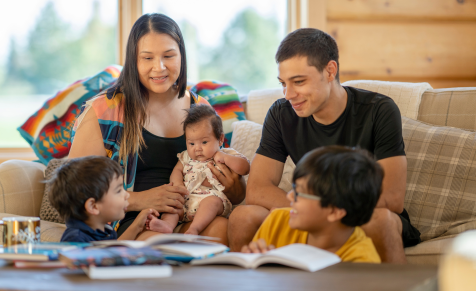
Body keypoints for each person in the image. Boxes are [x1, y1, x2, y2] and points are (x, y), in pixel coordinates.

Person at [228, 28, 420, 263]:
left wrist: (324, 211)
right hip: (309, 211)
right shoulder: (281, 114)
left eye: (298, 82)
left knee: (380, 220)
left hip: (361, 213)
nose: (288, 94)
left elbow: (392, 198)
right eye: (283, 83)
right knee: (243, 216)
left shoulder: (379, 110)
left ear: (330, 71)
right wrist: (309, 211)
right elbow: (257, 190)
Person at [68, 13, 245, 245]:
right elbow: (73, 190)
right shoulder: (105, 110)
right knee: (160, 244)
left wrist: (234, 188)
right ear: (134, 60)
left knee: (220, 230)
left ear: (182, 55)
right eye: (147, 58)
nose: (159, 67)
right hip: (133, 219)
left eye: (169, 55)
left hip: (193, 210)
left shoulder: (201, 109)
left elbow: (234, 185)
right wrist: (139, 200)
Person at [241, 146, 382, 263]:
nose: (289, 196)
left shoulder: (362, 262)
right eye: (293, 188)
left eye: (299, 193)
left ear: (335, 211)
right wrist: (254, 266)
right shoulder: (277, 221)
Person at [147, 104, 250, 235]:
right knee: (173, 206)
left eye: (204, 142)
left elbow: (245, 168)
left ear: (220, 139)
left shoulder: (225, 154)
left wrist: (224, 157)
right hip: (187, 200)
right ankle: (166, 225)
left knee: (212, 202)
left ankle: (194, 229)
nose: (197, 148)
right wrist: (178, 184)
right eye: (192, 143)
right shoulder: (185, 156)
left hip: (212, 198)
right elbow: (177, 171)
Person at [48, 156, 159, 242]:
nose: (127, 195)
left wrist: (138, 225)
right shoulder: (76, 239)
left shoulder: (105, 230)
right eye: (118, 191)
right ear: (93, 206)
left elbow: (113, 250)